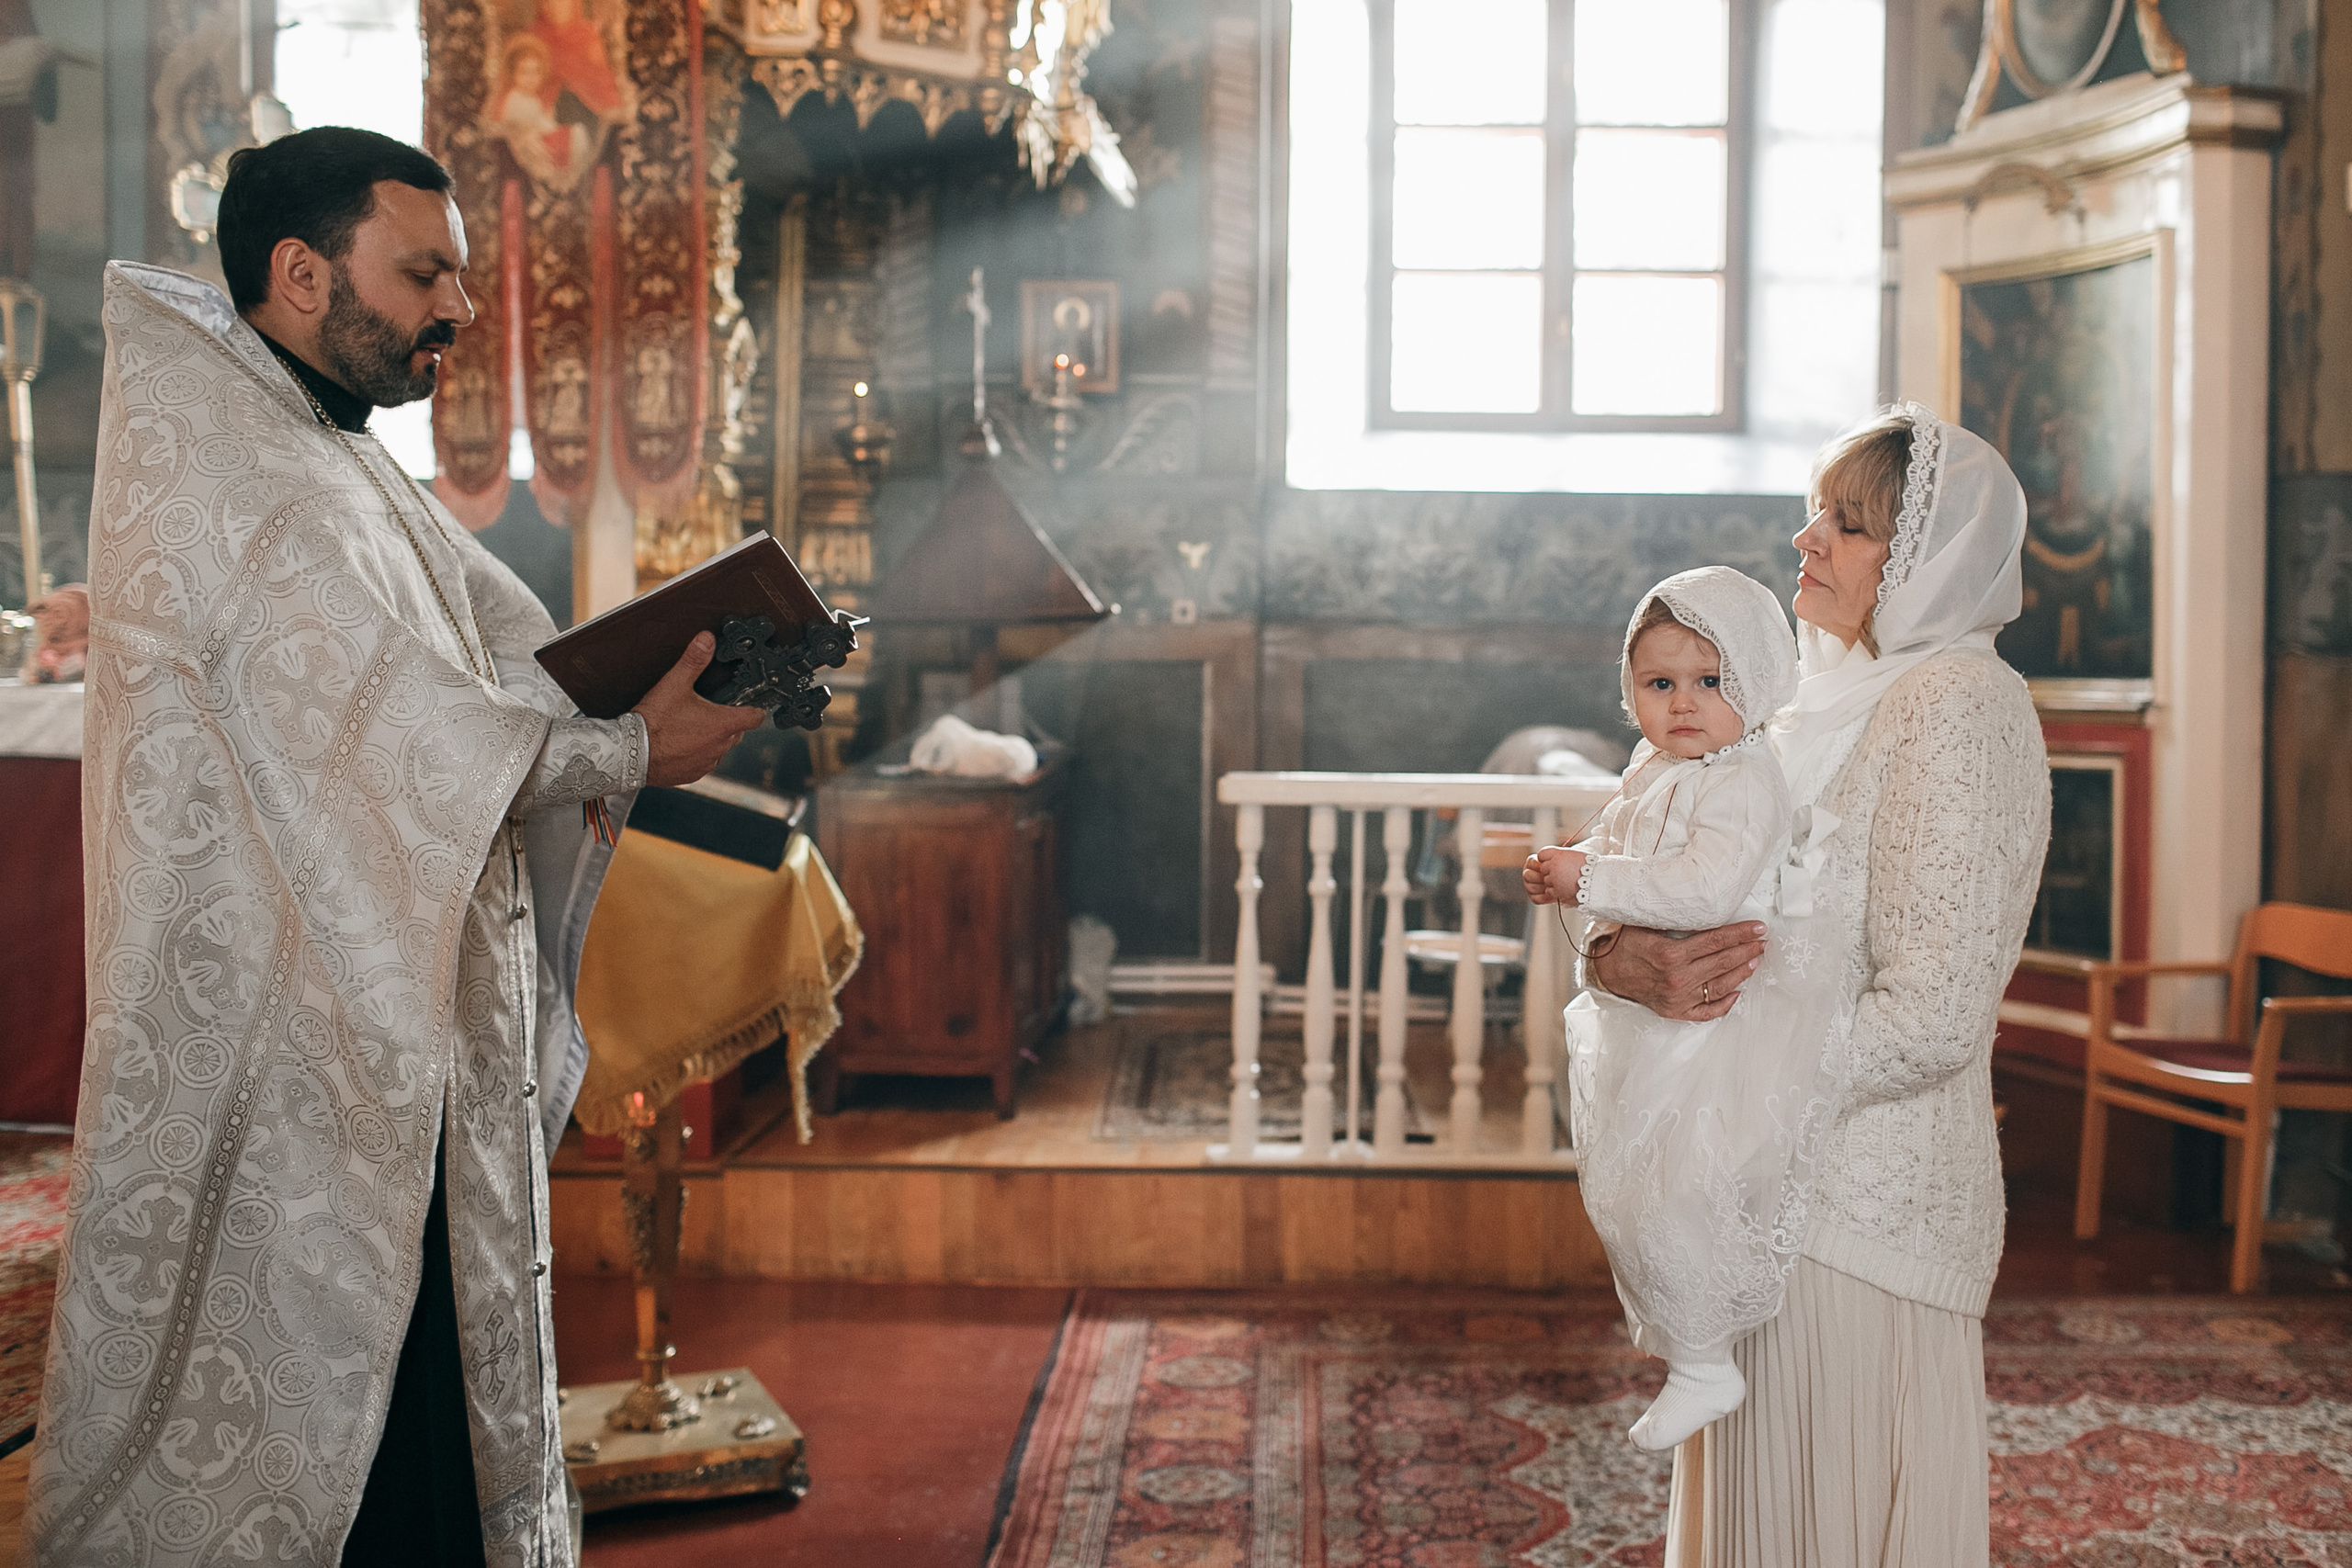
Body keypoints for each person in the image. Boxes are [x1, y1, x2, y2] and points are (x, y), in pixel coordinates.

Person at [27, 127, 763, 1568]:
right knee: (356, 1433)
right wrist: (630, 749)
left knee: (423, 1413)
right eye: (426, 274)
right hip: (300, 1059)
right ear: (302, 273)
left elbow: (489, 669)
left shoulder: (324, 449)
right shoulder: (250, 476)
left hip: (383, 1032)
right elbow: (408, 746)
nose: (460, 309)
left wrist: (668, 667)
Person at [1584, 404, 2048, 1566]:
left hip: (1857, 1209)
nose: (1806, 540)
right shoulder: (1798, 706)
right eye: (1814, 513)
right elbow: (1667, 876)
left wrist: (1736, 1089)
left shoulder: (1954, 704)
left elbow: (1932, 1017)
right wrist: (1614, 960)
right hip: (1760, 1189)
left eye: (1848, 525)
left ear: (1927, 556)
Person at [1525, 566, 1841, 1453]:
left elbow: (1704, 888)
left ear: (1757, 681)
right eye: (1660, 683)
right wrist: (1575, 858)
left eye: (1711, 680)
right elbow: (1625, 837)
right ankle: (1686, 1345)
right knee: (1629, 1189)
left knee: (1683, 1185)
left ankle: (1705, 1359)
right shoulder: (1655, 766)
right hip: (1654, 1022)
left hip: (1722, 1019)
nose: (1685, 703)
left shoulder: (1743, 780)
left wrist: (1589, 878)